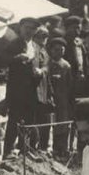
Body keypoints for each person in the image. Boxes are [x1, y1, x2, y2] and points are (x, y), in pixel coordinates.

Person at [4, 17, 52, 158]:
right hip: (18, 90)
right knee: (14, 120)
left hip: (33, 90)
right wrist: (16, 58)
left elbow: (47, 64)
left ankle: (26, 150)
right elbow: (2, 59)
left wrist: (41, 71)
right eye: (26, 27)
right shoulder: (13, 44)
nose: (29, 31)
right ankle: (8, 152)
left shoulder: (37, 47)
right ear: (20, 28)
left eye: (32, 28)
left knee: (30, 121)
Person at [46, 36, 75, 159]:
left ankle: (62, 149)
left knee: (62, 125)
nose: (59, 52)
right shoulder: (46, 64)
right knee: (49, 124)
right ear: (51, 50)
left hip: (63, 100)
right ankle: (48, 149)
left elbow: (70, 85)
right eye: (56, 49)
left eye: (61, 50)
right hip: (49, 100)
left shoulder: (66, 66)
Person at [63, 15, 86, 81]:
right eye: (74, 28)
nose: (76, 30)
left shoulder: (79, 42)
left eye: (78, 28)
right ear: (67, 29)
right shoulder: (63, 43)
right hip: (68, 79)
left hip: (81, 78)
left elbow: (85, 60)